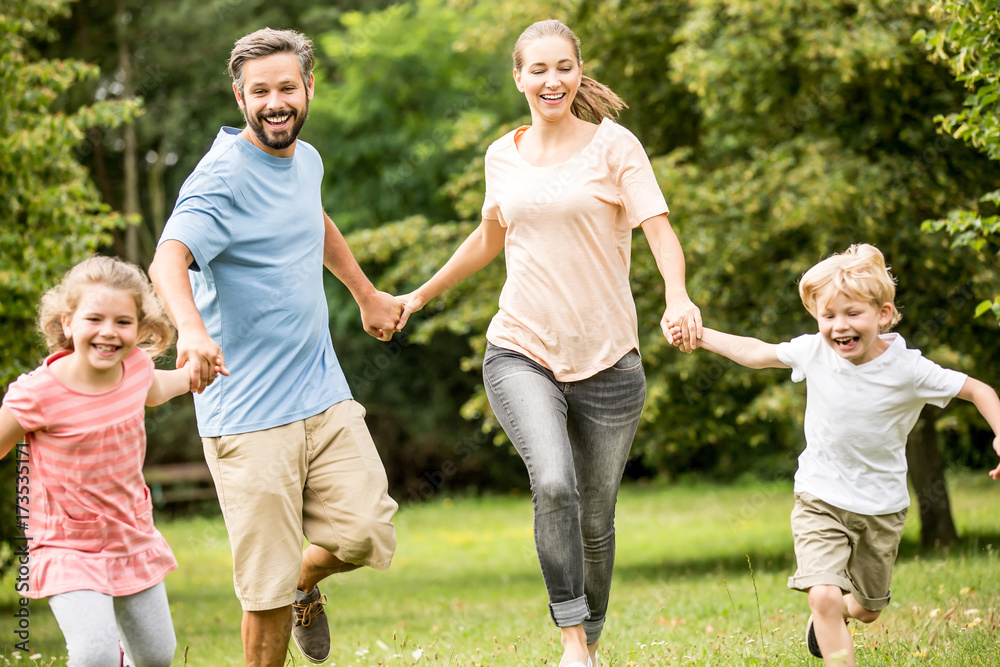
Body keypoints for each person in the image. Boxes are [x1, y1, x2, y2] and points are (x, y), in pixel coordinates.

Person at [394, 19, 701, 667]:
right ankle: (570, 640)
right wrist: (418, 295)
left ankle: (587, 639)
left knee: (596, 517)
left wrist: (677, 294)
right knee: (554, 483)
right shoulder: (500, 155)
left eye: (563, 67)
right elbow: (488, 236)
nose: (551, 80)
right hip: (520, 348)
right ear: (518, 77)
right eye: (537, 69)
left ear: (578, 71)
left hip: (612, 360)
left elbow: (660, 230)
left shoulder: (616, 147)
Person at [147, 27, 401, 667]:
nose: (275, 102)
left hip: (322, 392)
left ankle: (302, 584)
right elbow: (168, 259)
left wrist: (365, 294)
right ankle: (284, 590)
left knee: (366, 531)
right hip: (248, 414)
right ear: (240, 97)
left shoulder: (305, 160)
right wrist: (193, 331)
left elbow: (312, 221)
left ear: (308, 88)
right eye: (260, 91)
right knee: (261, 593)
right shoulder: (220, 179)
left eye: (287, 87)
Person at [663, 243, 1000, 666]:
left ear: (883, 314)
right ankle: (828, 616)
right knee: (822, 594)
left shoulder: (909, 369)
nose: (839, 326)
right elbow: (756, 352)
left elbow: (978, 390)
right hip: (819, 497)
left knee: (868, 609)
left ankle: (837, 613)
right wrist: (701, 335)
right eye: (828, 316)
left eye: (852, 313)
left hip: (882, 507)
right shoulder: (815, 351)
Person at [0, 256, 214, 667]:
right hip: (66, 543)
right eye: (94, 318)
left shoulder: (134, 368)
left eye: (122, 322)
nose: (108, 333)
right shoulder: (38, 393)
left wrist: (193, 376)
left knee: (155, 655)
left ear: (140, 328)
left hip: (130, 533)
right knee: (94, 655)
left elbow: (155, 388)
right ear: (68, 323)